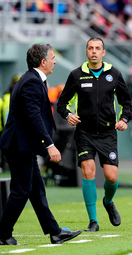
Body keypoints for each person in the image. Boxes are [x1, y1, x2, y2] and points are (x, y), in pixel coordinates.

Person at [0, 43, 82, 245]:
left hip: (22, 144)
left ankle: (55, 232)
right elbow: (33, 116)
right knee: (22, 190)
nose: (55, 61)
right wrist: (49, 145)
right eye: (53, 58)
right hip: (18, 145)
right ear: (43, 61)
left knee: (36, 189)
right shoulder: (31, 82)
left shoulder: (33, 80)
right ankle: (3, 234)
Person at [57, 37, 132, 232]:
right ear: (86, 52)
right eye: (90, 48)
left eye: (97, 48)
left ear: (103, 52)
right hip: (84, 132)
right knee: (88, 172)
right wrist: (68, 115)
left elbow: (127, 103)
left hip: (108, 133)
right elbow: (61, 103)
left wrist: (124, 120)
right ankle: (93, 221)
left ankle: (108, 202)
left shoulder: (114, 73)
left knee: (111, 177)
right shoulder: (76, 75)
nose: (94, 51)